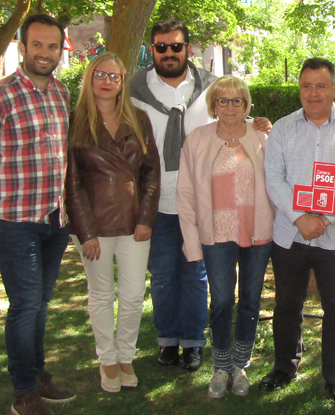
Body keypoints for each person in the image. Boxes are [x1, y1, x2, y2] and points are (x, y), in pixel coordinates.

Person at [128, 19, 270, 372]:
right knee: (162, 274)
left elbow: (234, 110)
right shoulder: (135, 89)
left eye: (176, 46)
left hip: (205, 202)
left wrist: (259, 125)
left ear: (187, 49)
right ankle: (167, 340)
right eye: (161, 47)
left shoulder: (209, 86)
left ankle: (193, 342)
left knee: (195, 274)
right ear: (152, 49)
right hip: (157, 197)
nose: (169, 53)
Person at [0, 14, 76, 415]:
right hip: (14, 221)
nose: (45, 53)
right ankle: (24, 391)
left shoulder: (62, 93)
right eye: (38, 45)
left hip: (53, 219)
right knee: (25, 304)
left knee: (41, 304)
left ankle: (37, 374)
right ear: (22, 48)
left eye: (52, 46)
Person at [261, 58, 335, 398]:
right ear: (299, 89)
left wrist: (325, 220)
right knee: (287, 304)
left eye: (321, 85)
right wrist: (299, 218)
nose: (313, 93)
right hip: (289, 234)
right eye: (307, 86)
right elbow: (273, 179)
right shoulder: (282, 128)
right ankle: (284, 367)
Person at [64, 52, 160, 393]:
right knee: (101, 295)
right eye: (100, 75)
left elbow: (151, 173)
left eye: (114, 76)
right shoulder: (75, 121)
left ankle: (126, 357)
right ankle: (107, 359)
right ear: (90, 79)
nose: (107, 81)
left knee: (133, 296)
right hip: (94, 225)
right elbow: (71, 183)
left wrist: (146, 217)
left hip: (135, 223)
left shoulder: (138, 118)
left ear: (123, 83)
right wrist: (86, 231)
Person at [175, 75, 274, 399]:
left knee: (249, 300)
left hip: (256, 232)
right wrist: (191, 241)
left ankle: (240, 365)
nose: (230, 107)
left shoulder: (261, 135)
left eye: (237, 101)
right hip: (216, 233)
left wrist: (270, 131)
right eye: (222, 100)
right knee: (220, 301)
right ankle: (220, 365)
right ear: (213, 105)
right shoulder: (198, 138)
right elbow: (186, 192)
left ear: (246, 105)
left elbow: (277, 179)